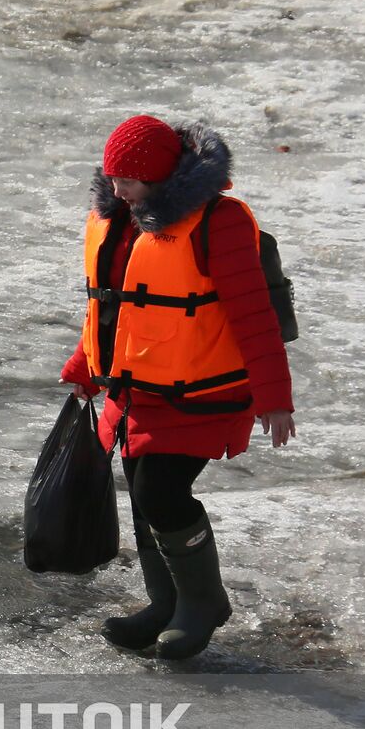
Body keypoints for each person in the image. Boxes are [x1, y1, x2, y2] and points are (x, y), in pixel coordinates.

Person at [60, 115, 296, 660]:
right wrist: (83, 366)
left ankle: (202, 604)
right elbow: (110, 307)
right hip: (135, 390)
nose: (118, 189)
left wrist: (275, 398)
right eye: (113, 177)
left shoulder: (221, 222)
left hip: (201, 393)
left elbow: (254, 315)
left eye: (131, 180)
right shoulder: (119, 220)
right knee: (144, 492)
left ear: (162, 177)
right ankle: (165, 604)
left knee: (160, 493)